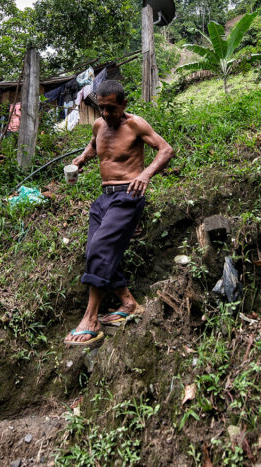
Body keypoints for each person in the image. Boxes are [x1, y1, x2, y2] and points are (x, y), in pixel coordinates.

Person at [64, 79, 174, 347]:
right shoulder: (100, 124)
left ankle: (90, 319)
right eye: (102, 108)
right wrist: (80, 160)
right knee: (94, 250)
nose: (105, 114)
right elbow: (93, 144)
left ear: (124, 104)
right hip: (104, 198)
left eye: (111, 108)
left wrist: (146, 174)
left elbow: (166, 149)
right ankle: (128, 303)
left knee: (101, 248)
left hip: (128, 195)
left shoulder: (135, 124)